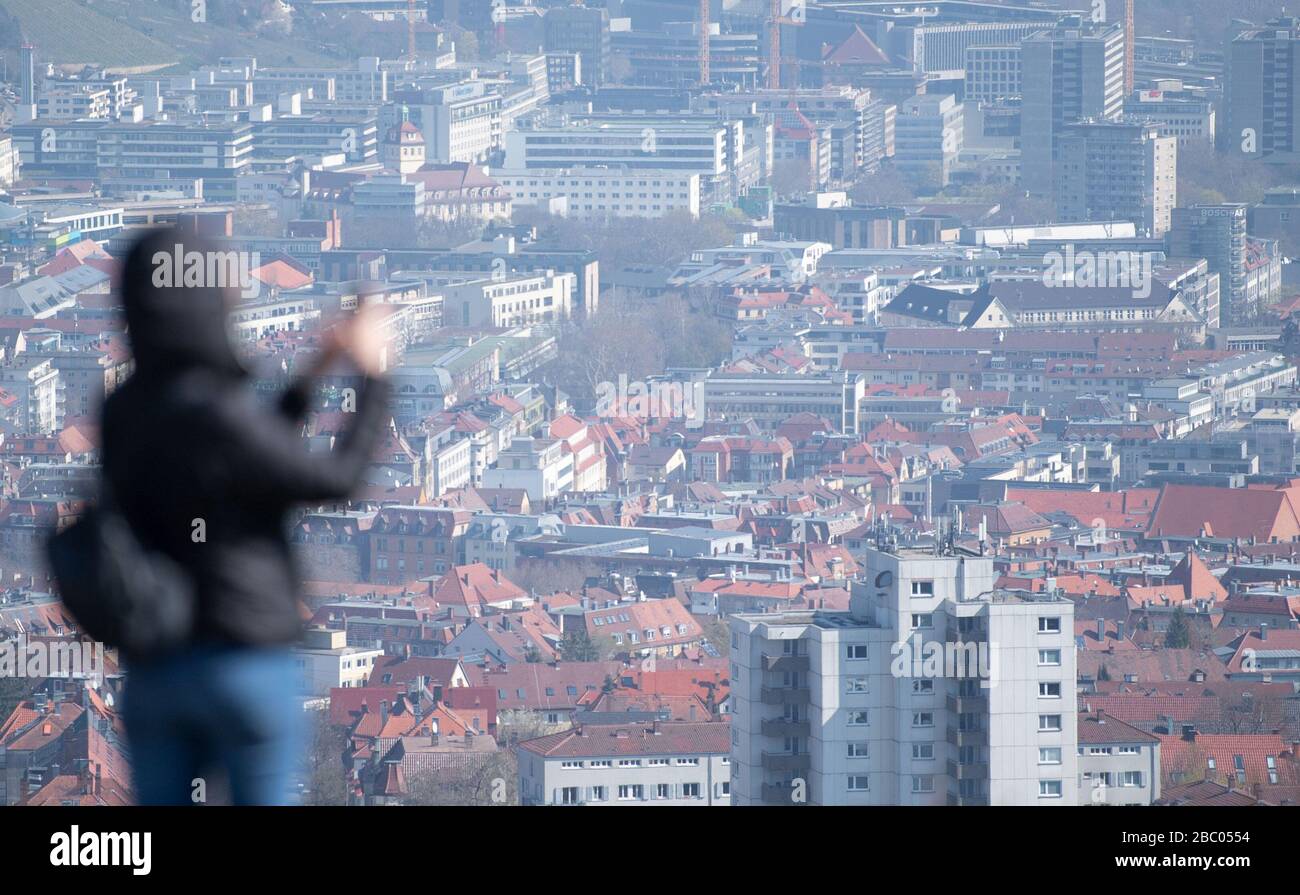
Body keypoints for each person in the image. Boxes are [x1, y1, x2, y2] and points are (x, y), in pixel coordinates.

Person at [101, 227, 390, 805]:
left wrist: (316, 369)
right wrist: (374, 375)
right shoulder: (216, 406)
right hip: (242, 663)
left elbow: (247, 455)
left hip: (156, 671)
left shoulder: (124, 409)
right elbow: (335, 479)